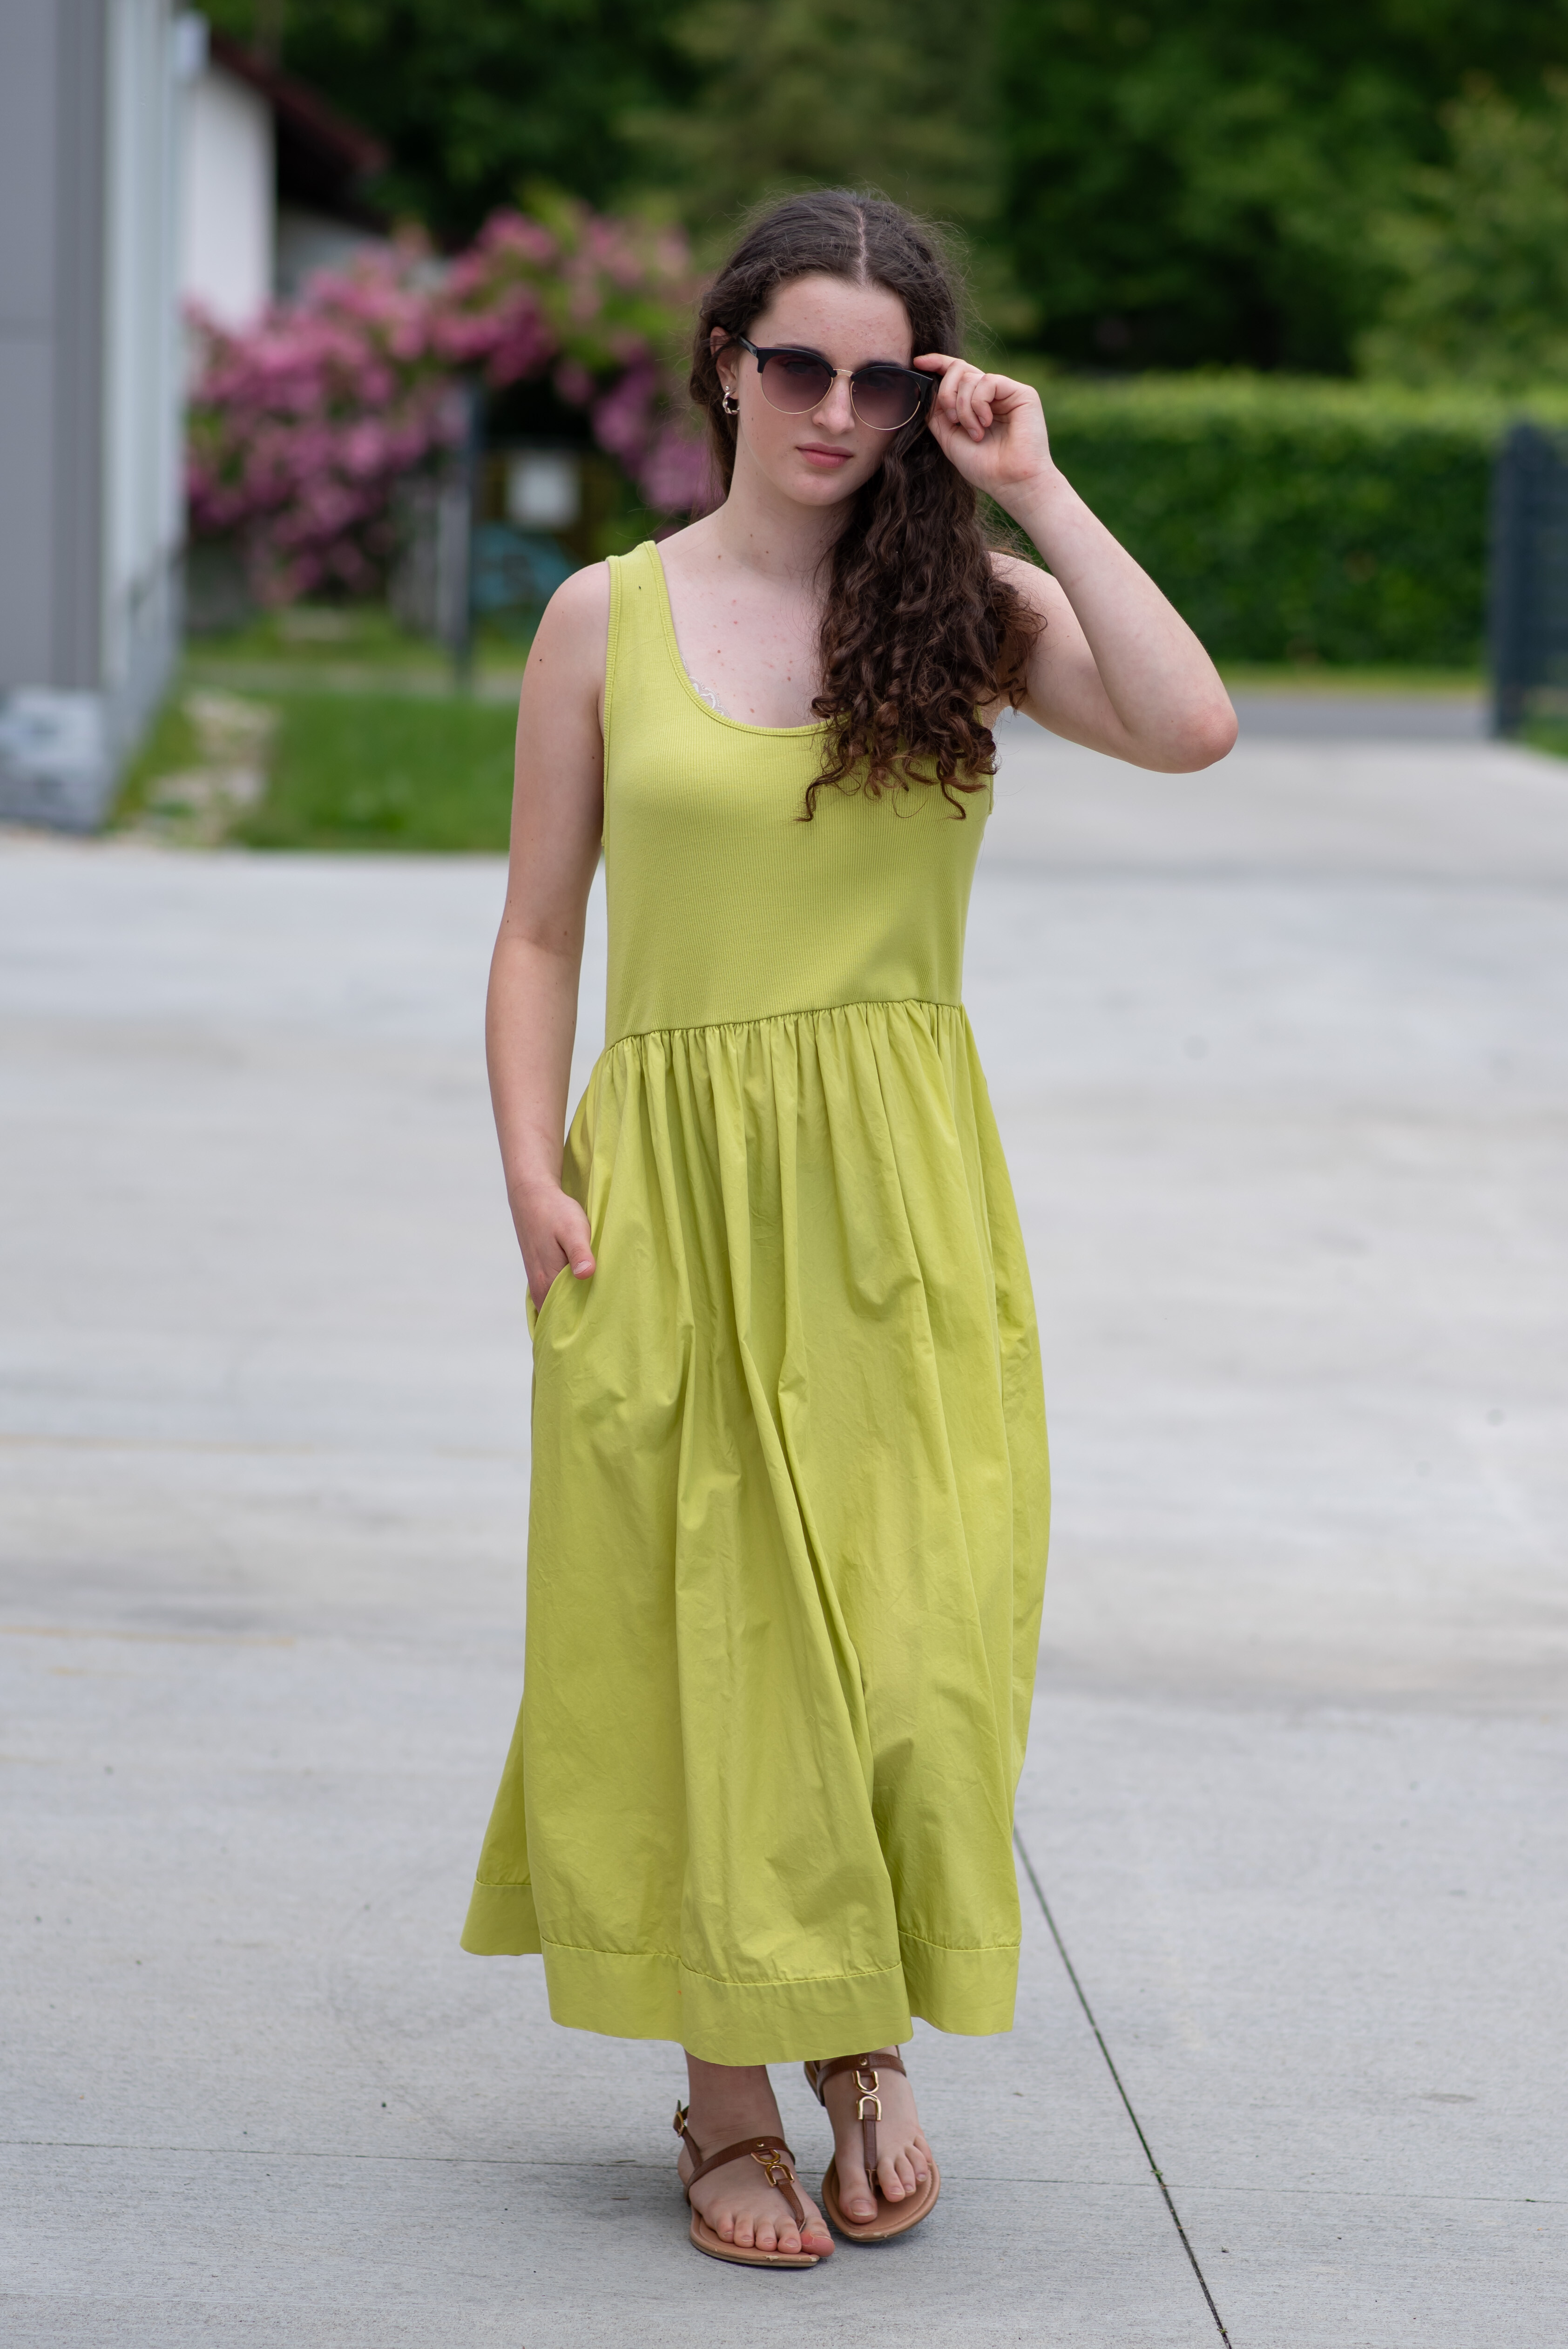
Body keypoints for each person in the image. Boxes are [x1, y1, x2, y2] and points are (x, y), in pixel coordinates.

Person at [461, 190, 1236, 2269]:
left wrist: (1035, 484)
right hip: (667, 1196)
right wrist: (530, 1169)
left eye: (881, 379)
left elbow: (1189, 725)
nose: (832, 407)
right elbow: (538, 929)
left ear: (925, 398)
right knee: (698, 1644)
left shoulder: (967, 609)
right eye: (798, 362)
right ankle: (728, 2097)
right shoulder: (602, 617)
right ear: (727, 360)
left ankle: (859, 2034)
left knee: (915, 1653)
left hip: (900, 1196)